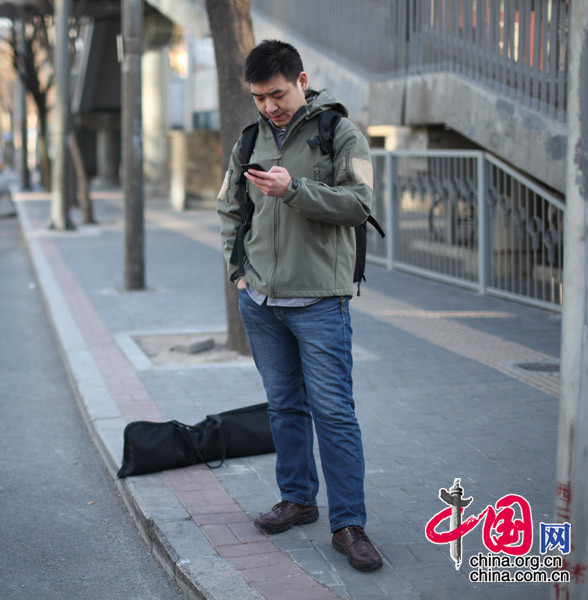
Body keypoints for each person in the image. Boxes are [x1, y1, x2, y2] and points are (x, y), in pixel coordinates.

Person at [217, 39, 382, 572]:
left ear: (302, 81)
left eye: (278, 94)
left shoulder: (340, 133)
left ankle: (350, 524)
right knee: (284, 407)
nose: (270, 106)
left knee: (334, 413)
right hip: (261, 301)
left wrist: (294, 190)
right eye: (260, 97)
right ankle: (298, 499)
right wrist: (238, 272)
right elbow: (229, 207)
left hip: (318, 303)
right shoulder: (250, 139)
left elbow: (359, 206)